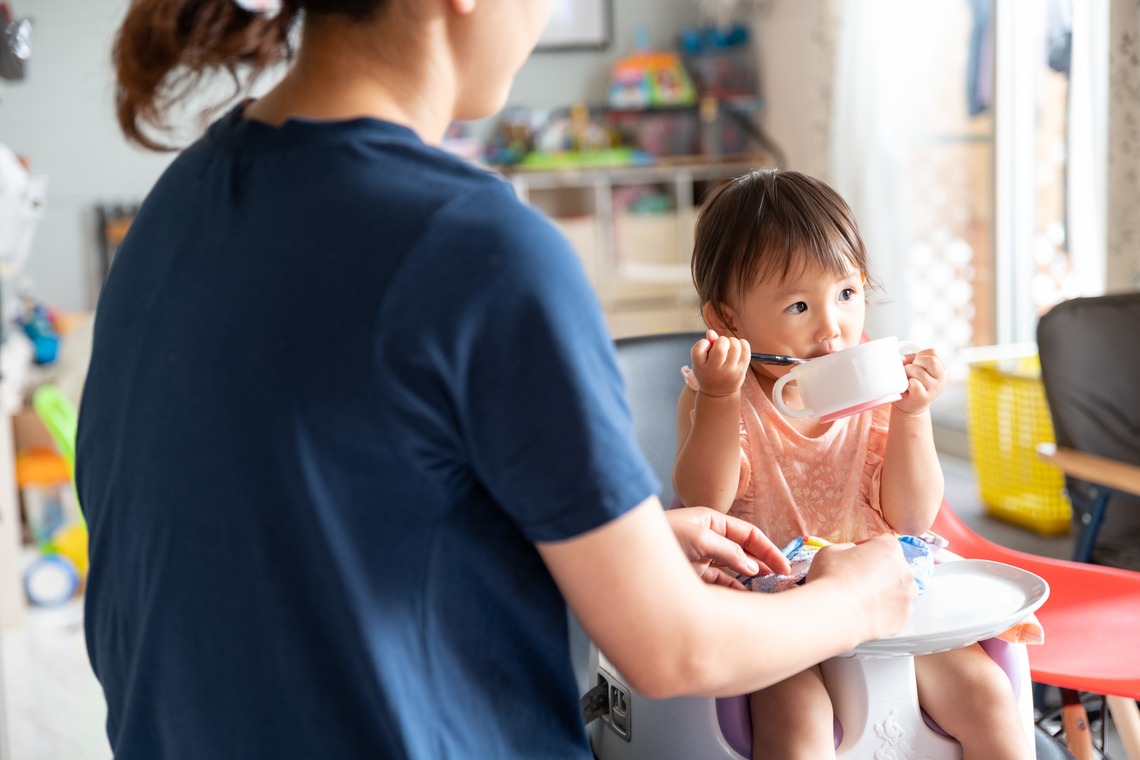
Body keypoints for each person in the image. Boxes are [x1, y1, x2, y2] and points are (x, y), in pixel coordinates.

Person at [75, 3, 919, 758]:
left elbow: (302, 534)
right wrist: (857, 599)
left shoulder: (174, 206)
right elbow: (673, 650)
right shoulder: (477, 246)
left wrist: (629, 545)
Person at [673, 168, 1029, 759]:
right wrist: (717, 397)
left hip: (885, 591)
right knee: (798, 723)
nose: (831, 327)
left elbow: (912, 517)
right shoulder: (717, 394)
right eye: (798, 305)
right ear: (729, 320)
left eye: (846, 294)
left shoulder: (877, 384)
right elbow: (703, 501)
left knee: (989, 697)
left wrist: (913, 415)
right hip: (774, 609)